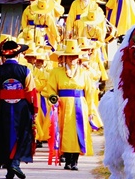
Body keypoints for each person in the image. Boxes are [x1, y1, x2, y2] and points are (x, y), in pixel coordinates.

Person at [39, 39, 99, 170]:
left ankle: (75, 160)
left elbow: (89, 92)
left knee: (78, 131)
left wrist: (91, 110)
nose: (72, 59)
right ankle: (67, 159)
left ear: (78, 58)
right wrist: (54, 100)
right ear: (64, 58)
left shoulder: (84, 73)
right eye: (69, 56)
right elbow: (50, 90)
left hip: (79, 105)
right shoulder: (56, 72)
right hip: (62, 105)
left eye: (75, 56)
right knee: (63, 131)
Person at [0, 38, 38, 179]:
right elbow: (31, 93)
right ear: (18, 55)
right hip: (21, 107)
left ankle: (9, 167)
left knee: (5, 135)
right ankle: (15, 163)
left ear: (4, 56)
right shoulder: (25, 70)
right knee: (22, 134)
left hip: (4, 107)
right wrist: (34, 109)